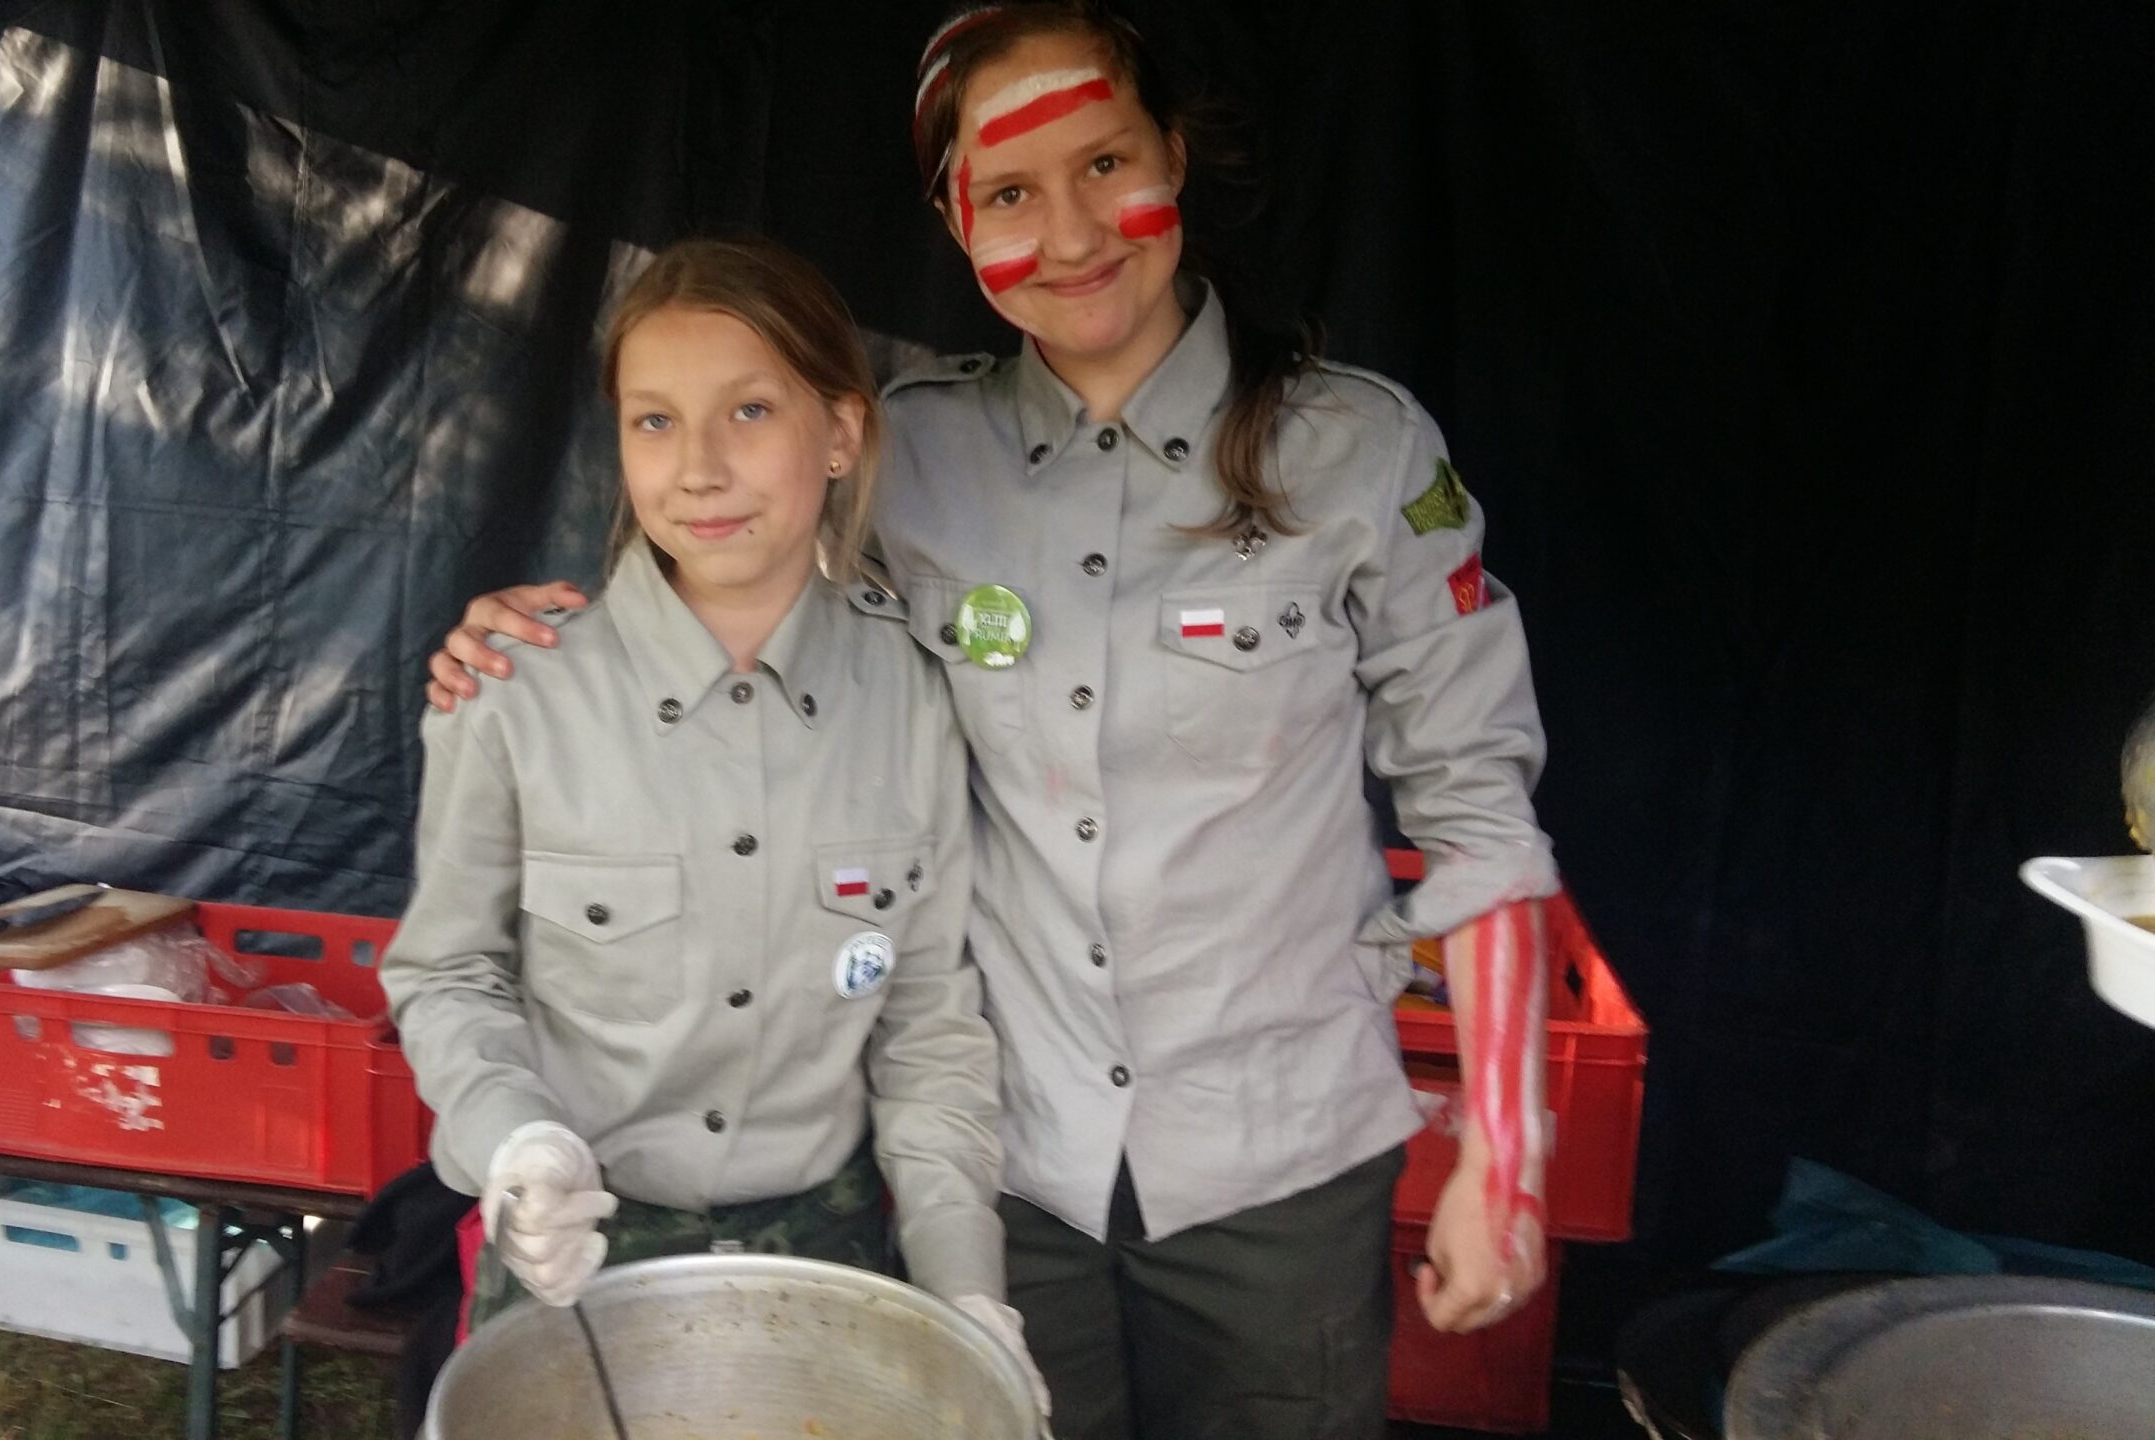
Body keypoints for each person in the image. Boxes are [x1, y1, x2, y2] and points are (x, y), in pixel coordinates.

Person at [426, 7, 1559, 1436]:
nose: (1070, 233)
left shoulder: (1356, 452)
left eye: (1106, 164)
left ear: (1175, 157)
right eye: (1012, 191)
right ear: (958, 223)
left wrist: (1504, 1149)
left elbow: (1477, 808)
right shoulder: (907, 455)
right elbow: (722, 585)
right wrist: (524, 647)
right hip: (1014, 1175)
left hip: (1280, 1168)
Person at [380, 235, 1047, 1415]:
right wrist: (517, 1143)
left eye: (748, 411)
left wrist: (964, 1286)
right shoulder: (514, 689)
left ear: (838, 433)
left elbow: (929, 1022)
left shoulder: (915, 696)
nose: (697, 468)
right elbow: (446, 971)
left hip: (830, 1252)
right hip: (576, 1247)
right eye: (654, 421)